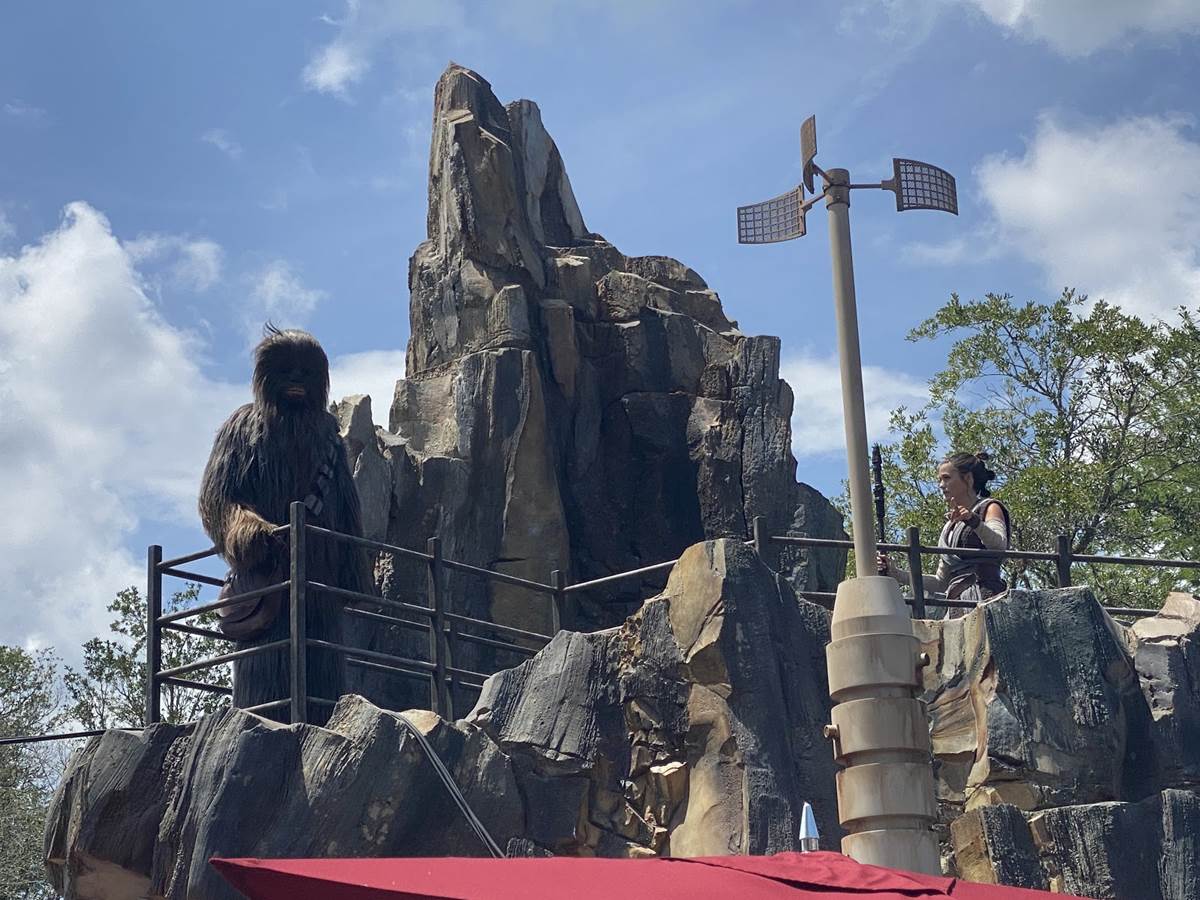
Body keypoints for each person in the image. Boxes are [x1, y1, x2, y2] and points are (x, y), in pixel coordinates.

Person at [878, 452, 1011, 616]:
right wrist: (897, 574)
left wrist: (973, 521)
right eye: (939, 480)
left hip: (986, 597)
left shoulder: (989, 508)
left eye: (946, 478)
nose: (941, 485)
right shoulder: (950, 526)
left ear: (968, 479)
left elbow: (999, 545)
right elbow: (941, 583)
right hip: (956, 604)